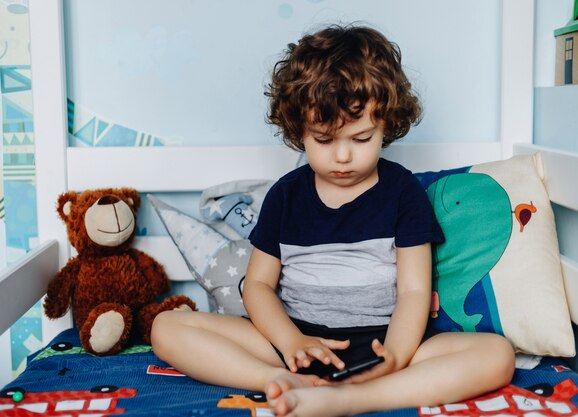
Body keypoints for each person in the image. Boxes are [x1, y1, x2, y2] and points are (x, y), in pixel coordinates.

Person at [151, 24, 515, 417]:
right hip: (291, 340)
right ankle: (279, 381)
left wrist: (394, 354)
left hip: (379, 342)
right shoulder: (285, 196)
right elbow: (256, 286)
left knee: (497, 354)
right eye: (324, 140)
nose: (343, 156)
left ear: (386, 125)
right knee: (167, 327)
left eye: (361, 139)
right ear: (299, 130)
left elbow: (413, 293)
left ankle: (353, 397)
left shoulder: (402, 192)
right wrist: (291, 343)